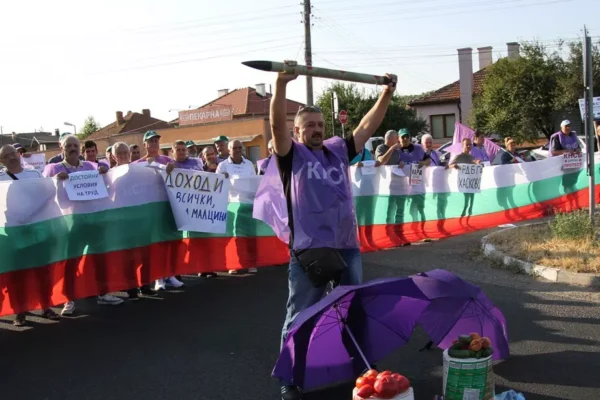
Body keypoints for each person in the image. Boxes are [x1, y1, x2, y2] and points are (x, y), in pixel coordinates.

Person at [266, 60, 396, 400]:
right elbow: (276, 125)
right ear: (297, 131)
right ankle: (289, 378)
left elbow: (368, 126)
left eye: (320, 124)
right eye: (309, 125)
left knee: (354, 308)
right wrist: (281, 86)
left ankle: (362, 367)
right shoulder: (290, 155)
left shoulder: (338, 151)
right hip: (309, 250)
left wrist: (386, 94)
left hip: (347, 246)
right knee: (300, 316)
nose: (317, 129)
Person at [43, 134, 121, 315]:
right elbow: (49, 196)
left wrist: (104, 175)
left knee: (99, 258)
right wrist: (57, 182)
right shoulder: (54, 169)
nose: (72, 148)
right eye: (68, 145)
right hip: (72, 223)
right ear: (61, 148)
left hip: (94, 221)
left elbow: (108, 190)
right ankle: (68, 299)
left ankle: (103, 293)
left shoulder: (91, 166)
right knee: (71, 262)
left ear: (80, 148)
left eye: (75, 145)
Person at [0, 144, 62, 326]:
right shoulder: (0, 179)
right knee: (17, 275)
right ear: (1, 160)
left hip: (37, 231)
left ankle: (46, 306)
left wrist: (59, 180)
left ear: (18, 155)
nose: (11, 157)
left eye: (13, 153)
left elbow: (48, 194)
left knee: (42, 272)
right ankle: (20, 312)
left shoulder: (34, 175)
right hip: (14, 234)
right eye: (6, 155)